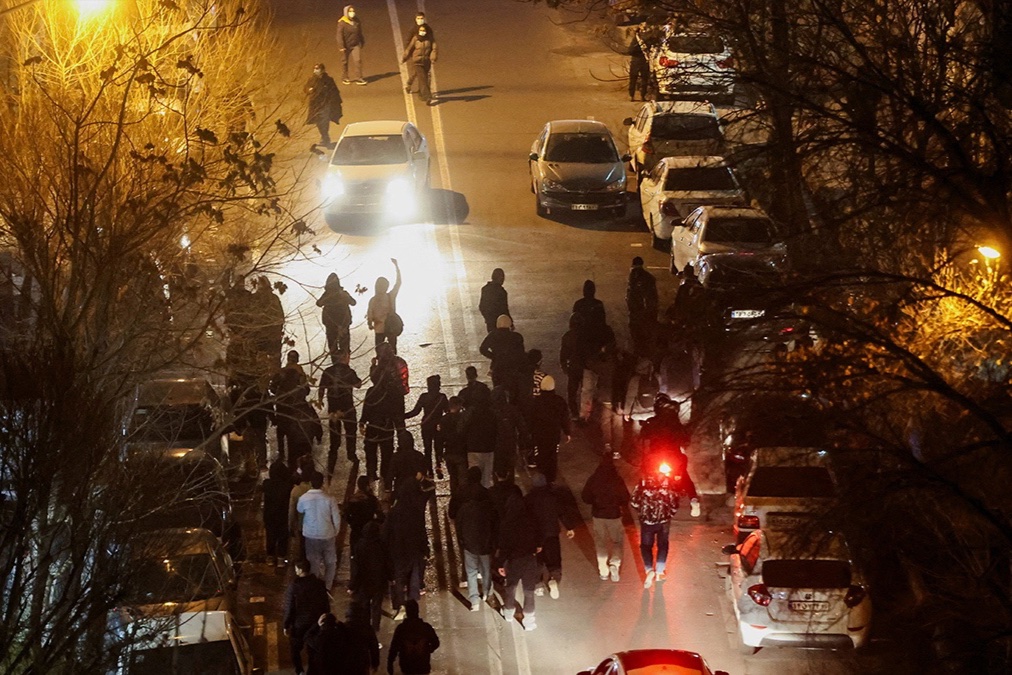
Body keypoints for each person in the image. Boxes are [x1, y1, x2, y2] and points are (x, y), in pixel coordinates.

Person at [630, 465, 699, 589]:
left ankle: (649, 569)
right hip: (663, 521)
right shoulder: (668, 484)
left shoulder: (643, 483)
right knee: (662, 545)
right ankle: (659, 572)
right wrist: (668, 515)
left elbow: (634, 501)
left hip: (646, 522)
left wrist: (642, 512)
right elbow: (675, 503)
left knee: (646, 546)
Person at [449, 466, 496, 611]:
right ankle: (487, 593)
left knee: (471, 571)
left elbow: (452, 514)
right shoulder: (487, 497)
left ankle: (474, 600)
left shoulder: (462, 500)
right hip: (485, 541)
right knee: (486, 569)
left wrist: (462, 539)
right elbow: (494, 521)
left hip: (469, 541)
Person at [384, 479, 429, 622]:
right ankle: (412, 605)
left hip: (397, 551)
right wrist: (425, 549)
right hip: (413, 551)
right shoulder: (415, 512)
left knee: (399, 579)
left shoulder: (393, 513)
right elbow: (422, 531)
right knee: (413, 579)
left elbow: (386, 534)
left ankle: (400, 606)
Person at [525, 472, 576, 600]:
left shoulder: (528, 499)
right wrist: (569, 527)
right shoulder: (553, 497)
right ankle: (554, 578)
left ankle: (538, 584)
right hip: (552, 532)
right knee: (554, 557)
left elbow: (525, 518)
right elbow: (562, 513)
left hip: (536, 535)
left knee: (538, 559)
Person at [495, 494, 541, 631]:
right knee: (529, 591)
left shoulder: (506, 523)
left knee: (511, 588)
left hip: (514, 561)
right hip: (529, 559)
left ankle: (508, 613)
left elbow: (503, 547)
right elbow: (539, 538)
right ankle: (529, 622)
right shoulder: (531, 520)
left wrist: (500, 564)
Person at [581, 454, 630, 581]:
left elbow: (585, 497)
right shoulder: (617, 479)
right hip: (614, 515)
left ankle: (603, 571)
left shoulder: (594, 479)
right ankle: (614, 563)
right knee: (617, 541)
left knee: (600, 542)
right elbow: (625, 498)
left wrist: (595, 502)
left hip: (598, 515)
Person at [282, 559, 331, 675]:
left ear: (300, 570)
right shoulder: (319, 584)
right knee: (313, 648)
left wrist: (286, 625)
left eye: (296, 568)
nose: (295, 571)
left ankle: (300, 671)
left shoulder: (294, 586)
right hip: (316, 623)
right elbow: (325, 604)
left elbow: (290, 608)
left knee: (295, 649)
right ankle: (312, 670)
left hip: (299, 624)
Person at [319, 350, 362, 478]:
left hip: (333, 408)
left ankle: (333, 452)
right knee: (351, 431)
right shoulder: (349, 371)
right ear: (344, 358)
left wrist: (320, 399)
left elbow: (321, 387)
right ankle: (351, 454)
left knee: (335, 433)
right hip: (347, 407)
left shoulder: (328, 371)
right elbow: (358, 384)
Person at [297, 472, 341, 588]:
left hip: (311, 535)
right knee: (330, 563)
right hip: (327, 534)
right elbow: (336, 518)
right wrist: (335, 531)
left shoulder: (304, 498)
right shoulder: (330, 499)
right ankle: (327, 587)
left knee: (313, 563)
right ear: (322, 483)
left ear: (311, 483)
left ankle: (314, 587)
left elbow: (300, 510)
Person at [526, 375, 571, 482]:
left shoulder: (535, 402)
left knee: (540, 455)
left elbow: (530, 419)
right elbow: (564, 418)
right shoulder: (559, 401)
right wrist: (567, 432)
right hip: (554, 434)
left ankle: (542, 478)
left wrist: (529, 432)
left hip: (539, 434)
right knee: (552, 456)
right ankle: (551, 478)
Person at [350, 521, 391, 634]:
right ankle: (375, 626)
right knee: (377, 605)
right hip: (379, 581)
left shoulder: (359, 545)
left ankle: (366, 625)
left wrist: (352, 585)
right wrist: (391, 577)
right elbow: (387, 563)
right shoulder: (382, 545)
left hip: (364, 582)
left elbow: (356, 568)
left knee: (365, 605)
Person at [360, 373, 398, 489]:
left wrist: (362, 422)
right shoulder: (390, 392)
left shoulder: (371, 391)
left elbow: (366, 408)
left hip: (373, 426)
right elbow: (395, 410)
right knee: (387, 453)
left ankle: (372, 473)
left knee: (371, 451)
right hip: (386, 427)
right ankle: (385, 474)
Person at [405, 374, 448, 475]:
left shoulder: (424, 397)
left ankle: (429, 470)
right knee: (438, 447)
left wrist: (404, 416)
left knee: (427, 449)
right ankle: (438, 466)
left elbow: (415, 411)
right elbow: (447, 410)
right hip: (438, 426)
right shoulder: (442, 397)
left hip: (426, 425)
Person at [387, 600, 440, 675]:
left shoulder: (401, 629)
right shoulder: (426, 627)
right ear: (418, 611)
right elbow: (436, 643)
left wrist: (390, 663)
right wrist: (427, 650)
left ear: (407, 612)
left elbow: (394, 648)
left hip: (407, 666)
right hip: (423, 665)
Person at [479, 315, 526, 398]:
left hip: (498, 367)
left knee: (498, 391)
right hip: (513, 367)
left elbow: (483, 349)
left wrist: (494, 356)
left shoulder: (492, 335)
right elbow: (521, 353)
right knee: (514, 390)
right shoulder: (517, 336)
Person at [343, 475, 381, 578]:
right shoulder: (372, 500)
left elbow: (345, 515)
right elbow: (380, 515)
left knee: (354, 557)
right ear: (367, 486)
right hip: (369, 534)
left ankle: (355, 579)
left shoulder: (351, 500)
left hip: (355, 533)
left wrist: (352, 523)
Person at [462, 384, 497, 488]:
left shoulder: (471, 411)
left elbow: (462, 428)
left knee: (474, 476)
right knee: (486, 478)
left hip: (473, 447)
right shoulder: (492, 412)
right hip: (488, 448)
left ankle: (474, 494)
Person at [491, 386, 529, 480]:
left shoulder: (490, 411)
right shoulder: (512, 410)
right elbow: (522, 428)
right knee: (510, 469)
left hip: (494, 445)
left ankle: (498, 485)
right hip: (510, 444)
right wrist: (523, 445)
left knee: (497, 470)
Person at [317, 272, 356, 356]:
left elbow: (353, 302)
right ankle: (338, 361)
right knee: (335, 348)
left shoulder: (341, 293)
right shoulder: (328, 294)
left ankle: (342, 361)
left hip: (341, 323)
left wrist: (343, 296)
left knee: (342, 348)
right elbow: (319, 303)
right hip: (333, 324)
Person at [367, 258, 402, 352]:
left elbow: (370, 315)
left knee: (379, 351)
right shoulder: (391, 296)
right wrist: (397, 267)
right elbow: (398, 283)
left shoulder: (373, 300)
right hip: (391, 328)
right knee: (392, 351)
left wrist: (370, 324)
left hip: (379, 329)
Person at [304, 63, 343, 147]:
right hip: (316, 104)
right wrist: (309, 90)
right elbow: (306, 88)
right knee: (318, 121)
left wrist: (332, 100)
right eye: (315, 69)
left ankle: (325, 138)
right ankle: (325, 136)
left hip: (326, 104)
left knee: (325, 121)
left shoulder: (328, 80)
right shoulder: (311, 79)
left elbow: (334, 91)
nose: (316, 71)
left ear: (322, 70)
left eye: (317, 69)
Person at [263, 460, 292, 568]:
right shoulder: (287, 486)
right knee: (283, 537)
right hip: (283, 516)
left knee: (270, 536)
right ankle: (281, 558)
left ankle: (270, 557)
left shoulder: (267, 484)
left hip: (269, 516)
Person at [627, 256, 659, 355]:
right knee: (646, 335)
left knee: (637, 335)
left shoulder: (633, 276)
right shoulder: (649, 277)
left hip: (638, 311)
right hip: (646, 312)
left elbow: (631, 295)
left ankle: (639, 352)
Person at [401, 24, 438, 106]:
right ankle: (427, 96)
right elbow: (409, 49)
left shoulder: (430, 39)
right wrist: (404, 58)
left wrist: (433, 57)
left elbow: (434, 49)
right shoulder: (415, 39)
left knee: (418, 75)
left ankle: (410, 84)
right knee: (423, 79)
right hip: (417, 61)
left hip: (426, 61)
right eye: (421, 30)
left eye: (424, 30)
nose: (422, 32)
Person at [438, 396, 467, 495]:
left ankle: (454, 496)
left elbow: (440, 437)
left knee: (453, 477)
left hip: (449, 451)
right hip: (461, 452)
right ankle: (462, 497)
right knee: (462, 478)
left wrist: (439, 453)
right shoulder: (463, 418)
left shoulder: (444, 419)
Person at [559, 313, 586, 419]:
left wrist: (564, 366)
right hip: (586, 367)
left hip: (573, 367)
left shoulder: (567, 336)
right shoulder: (587, 335)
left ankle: (574, 413)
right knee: (586, 390)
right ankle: (585, 412)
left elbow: (563, 353)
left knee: (572, 392)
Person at [288, 457, 316, 561]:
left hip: (302, 525)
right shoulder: (317, 489)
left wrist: (291, 526)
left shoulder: (296, 491)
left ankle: (304, 562)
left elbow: (292, 511)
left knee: (303, 546)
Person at [345, 602, 381, 674]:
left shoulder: (343, 628)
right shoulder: (367, 628)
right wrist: (375, 664)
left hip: (347, 663)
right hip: (363, 661)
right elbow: (374, 647)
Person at [336, 5, 366, 85]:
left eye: (353, 11)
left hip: (355, 45)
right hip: (345, 46)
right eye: (350, 11)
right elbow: (339, 35)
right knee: (344, 62)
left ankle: (359, 78)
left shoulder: (356, 21)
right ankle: (345, 77)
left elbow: (359, 32)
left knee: (358, 61)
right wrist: (341, 46)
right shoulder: (342, 23)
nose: (352, 13)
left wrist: (362, 41)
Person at [478, 268, 509, 333]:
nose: (503, 279)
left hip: (490, 321)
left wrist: (487, 318)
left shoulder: (485, 289)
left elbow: (482, 306)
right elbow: (504, 308)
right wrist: (509, 321)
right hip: (501, 322)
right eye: (502, 277)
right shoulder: (502, 292)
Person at [627, 27, 649, 102]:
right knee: (643, 79)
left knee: (634, 79)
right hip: (644, 61)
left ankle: (632, 96)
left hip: (636, 61)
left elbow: (630, 51)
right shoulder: (646, 40)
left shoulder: (636, 40)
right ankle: (642, 96)